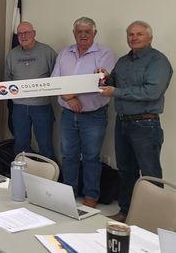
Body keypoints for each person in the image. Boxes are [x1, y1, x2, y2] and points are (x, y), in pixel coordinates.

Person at [101, 20, 173, 222]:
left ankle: (154, 219)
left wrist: (116, 91)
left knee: (150, 174)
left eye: (139, 34)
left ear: (150, 37)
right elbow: (112, 82)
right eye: (130, 34)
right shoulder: (123, 61)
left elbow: (152, 91)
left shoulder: (158, 61)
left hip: (146, 124)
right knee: (126, 170)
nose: (134, 38)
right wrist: (105, 78)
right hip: (122, 123)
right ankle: (126, 211)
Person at [52, 17, 115, 208]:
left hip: (93, 115)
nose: (83, 35)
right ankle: (69, 192)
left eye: (87, 31)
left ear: (95, 33)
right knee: (69, 155)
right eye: (79, 31)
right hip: (68, 114)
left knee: (91, 157)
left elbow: (99, 83)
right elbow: (55, 82)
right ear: (74, 33)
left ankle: (91, 196)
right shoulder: (64, 53)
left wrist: (71, 91)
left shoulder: (105, 54)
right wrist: (69, 98)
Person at [5, 21, 57, 160]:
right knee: (20, 146)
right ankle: (22, 178)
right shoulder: (12, 55)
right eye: (20, 33)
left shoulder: (47, 52)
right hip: (19, 108)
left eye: (26, 32)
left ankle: (48, 179)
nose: (23, 36)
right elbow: (7, 80)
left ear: (34, 33)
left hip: (42, 107)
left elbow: (57, 77)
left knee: (45, 146)